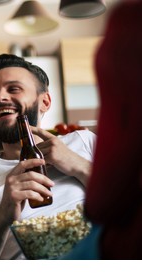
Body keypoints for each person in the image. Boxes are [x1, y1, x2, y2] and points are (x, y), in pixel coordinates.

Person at [0, 54, 96, 259]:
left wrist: (80, 166)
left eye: (13, 89)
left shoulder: (83, 142)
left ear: (44, 101)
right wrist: (3, 212)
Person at [83, 0, 142, 259]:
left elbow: (106, 202)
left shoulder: (129, 25)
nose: (0, 99)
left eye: (13, 88)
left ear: (46, 101)